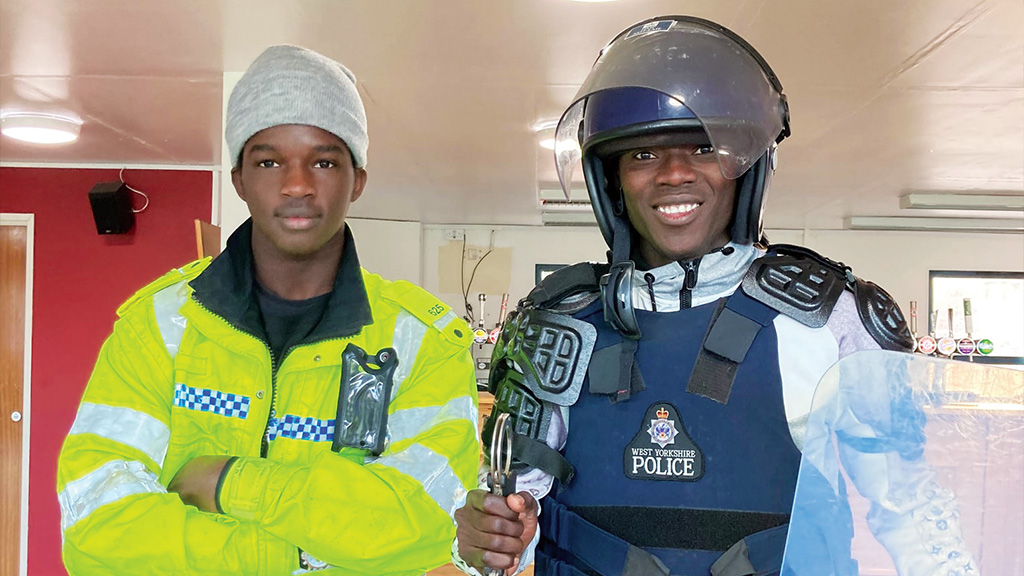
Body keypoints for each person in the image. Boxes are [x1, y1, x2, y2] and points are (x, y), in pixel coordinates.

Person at [453, 16, 976, 576]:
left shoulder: (828, 318)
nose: (674, 173)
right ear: (612, 181)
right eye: (643, 155)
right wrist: (485, 540)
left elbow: (911, 504)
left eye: (703, 148)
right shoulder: (559, 325)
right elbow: (507, 519)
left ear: (745, 169)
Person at [57, 45, 480, 575]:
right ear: (239, 179)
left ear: (358, 180)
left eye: (324, 161)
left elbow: (432, 523)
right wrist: (289, 555)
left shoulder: (424, 343)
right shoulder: (160, 325)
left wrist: (231, 483)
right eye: (268, 160)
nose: (297, 184)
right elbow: (95, 527)